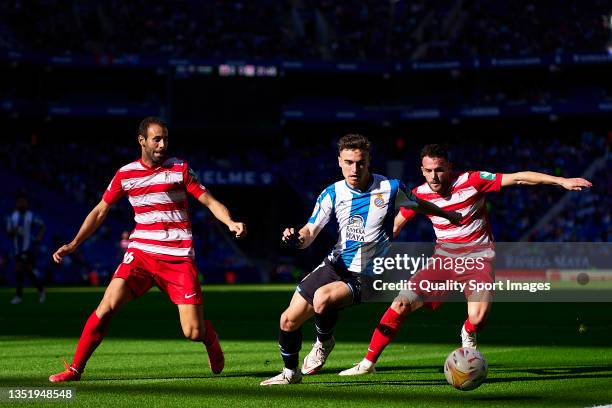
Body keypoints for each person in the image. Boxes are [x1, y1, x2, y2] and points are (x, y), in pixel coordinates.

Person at [339, 143, 592, 375]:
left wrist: (561, 181)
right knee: (401, 303)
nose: (434, 176)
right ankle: (367, 364)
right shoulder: (418, 194)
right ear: (422, 171)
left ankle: (468, 330)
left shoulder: (473, 181)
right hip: (444, 261)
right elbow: (396, 225)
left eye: (439, 169)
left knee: (478, 318)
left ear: (449, 167)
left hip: (479, 260)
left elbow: (517, 178)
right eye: (429, 170)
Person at [49, 117, 246, 382]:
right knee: (106, 306)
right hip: (141, 254)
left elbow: (210, 201)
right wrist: (74, 243)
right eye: (157, 139)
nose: (163, 144)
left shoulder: (180, 169)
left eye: (165, 138)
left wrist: (230, 222)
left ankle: (209, 337)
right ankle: (75, 369)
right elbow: (99, 211)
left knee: (192, 331)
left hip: (177, 259)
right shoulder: (125, 174)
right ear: (141, 140)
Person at [260, 135, 461, 385]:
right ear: (339, 162)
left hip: (369, 274)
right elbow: (310, 231)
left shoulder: (390, 188)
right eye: (349, 162)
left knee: (323, 298)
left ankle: (323, 342)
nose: (355, 169)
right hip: (336, 265)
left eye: (360, 162)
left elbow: (420, 205)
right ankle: (291, 374)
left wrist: (447, 214)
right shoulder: (332, 193)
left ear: (369, 161)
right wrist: (295, 239)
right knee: (288, 320)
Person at [6, 194, 46, 304]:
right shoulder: (13, 217)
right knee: (28, 271)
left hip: (28, 248)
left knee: (19, 269)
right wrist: (13, 231)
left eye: (24, 202)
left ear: (27, 204)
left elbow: (42, 225)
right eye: (20, 202)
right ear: (17, 204)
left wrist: (38, 237)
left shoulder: (30, 216)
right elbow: (9, 232)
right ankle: (41, 290)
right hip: (17, 249)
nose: (22, 204)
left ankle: (19, 296)